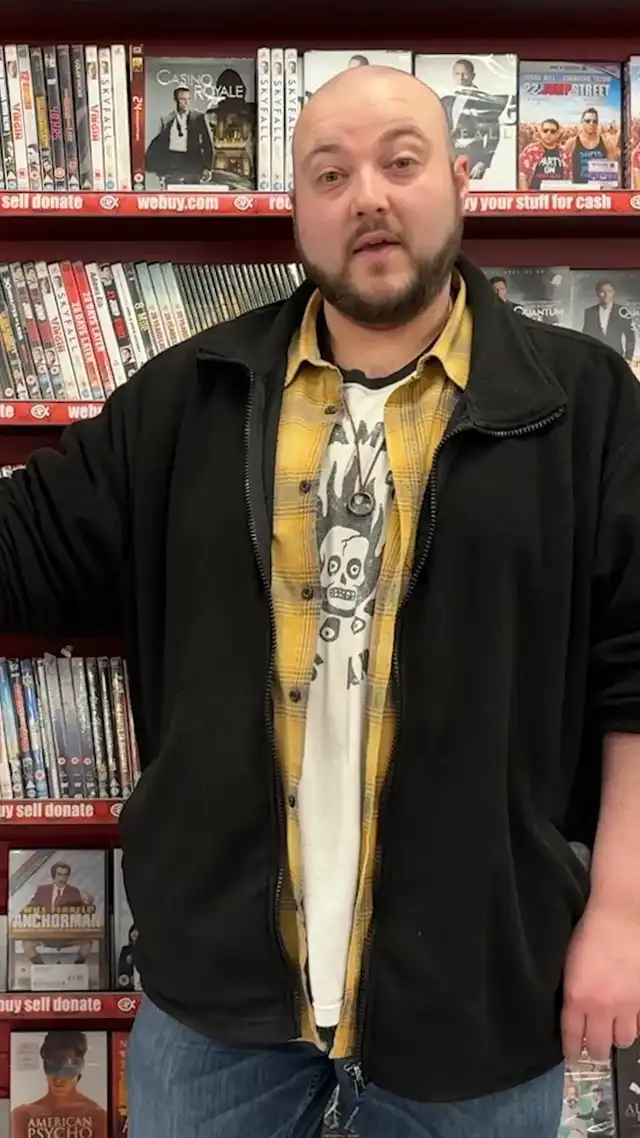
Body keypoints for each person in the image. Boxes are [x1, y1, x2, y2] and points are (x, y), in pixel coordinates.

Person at [1, 63, 640, 1138]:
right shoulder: (187, 396)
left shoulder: (584, 404)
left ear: (461, 180)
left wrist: (621, 911)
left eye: (401, 162)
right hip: (217, 1015)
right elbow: (27, 552)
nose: (368, 198)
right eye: (331, 175)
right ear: (297, 211)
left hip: (476, 1004)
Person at [10, 1030, 108, 1138]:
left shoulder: (97, 1117)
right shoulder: (23, 1116)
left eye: (68, 1071)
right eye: (52, 1068)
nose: (59, 1080)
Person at [582, 278, 637, 361]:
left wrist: (628, 357)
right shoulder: (590, 312)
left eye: (609, 291)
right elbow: (585, 335)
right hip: (595, 357)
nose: (606, 295)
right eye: (602, 292)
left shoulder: (622, 311)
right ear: (597, 293)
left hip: (616, 356)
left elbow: (630, 337)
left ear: (614, 293)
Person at [563, 107, 620, 184]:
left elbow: (612, 171)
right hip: (578, 187)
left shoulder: (606, 144)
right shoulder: (572, 143)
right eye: (588, 121)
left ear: (597, 123)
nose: (591, 124)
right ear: (582, 122)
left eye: (594, 121)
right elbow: (565, 170)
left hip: (599, 187)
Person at [519, 117, 572, 189]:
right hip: (535, 194)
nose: (548, 134)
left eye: (553, 131)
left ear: (558, 134)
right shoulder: (531, 151)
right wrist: (526, 195)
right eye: (545, 131)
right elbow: (522, 176)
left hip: (559, 194)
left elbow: (570, 177)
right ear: (541, 132)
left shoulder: (565, 153)